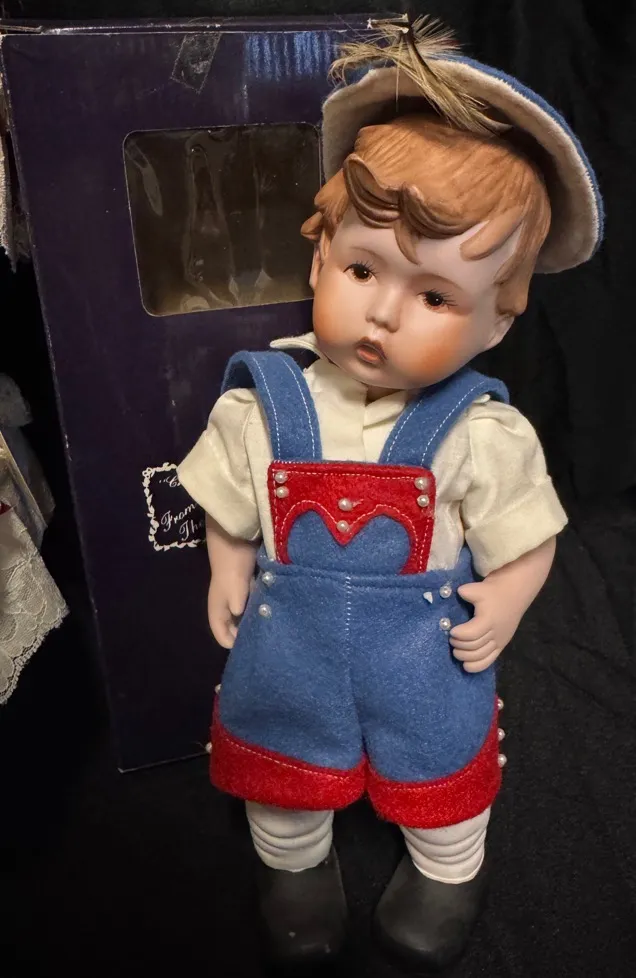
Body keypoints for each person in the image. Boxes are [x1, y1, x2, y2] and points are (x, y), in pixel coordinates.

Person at [178, 17, 603, 971]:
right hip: (289, 650)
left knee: (441, 773)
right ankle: (294, 866)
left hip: (425, 658)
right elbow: (227, 501)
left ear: (498, 321)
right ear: (319, 259)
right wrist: (228, 562)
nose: (382, 313)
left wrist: (507, 597)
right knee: (281, 770)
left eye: (437, 297)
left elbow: (528, 534)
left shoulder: (480, 434)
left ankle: (447, 870)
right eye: (363, 268)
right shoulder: (261, 405)